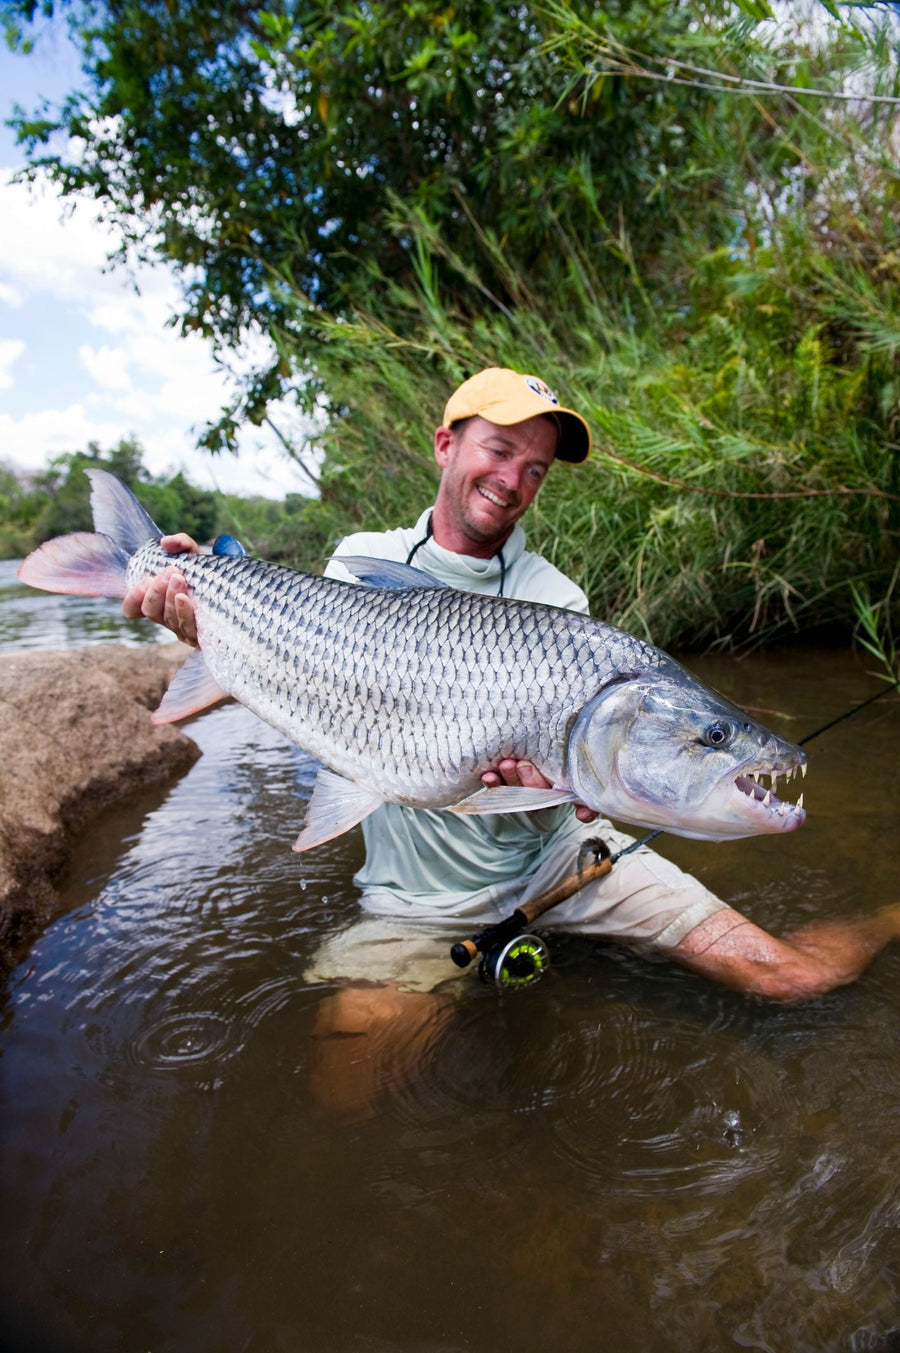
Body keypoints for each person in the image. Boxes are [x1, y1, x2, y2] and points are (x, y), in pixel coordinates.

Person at [124, 366, 900, 1027]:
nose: (514, 480)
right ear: (446, 445)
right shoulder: (362, 561)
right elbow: (306, 687)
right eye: (499, 451)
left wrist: (574, 793)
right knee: (349, 1064)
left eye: (536, 469)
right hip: (420, 898)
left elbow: (581, 792)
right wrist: (207, 611)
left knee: (793, 979)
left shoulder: (558, 600)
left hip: (567, 863)